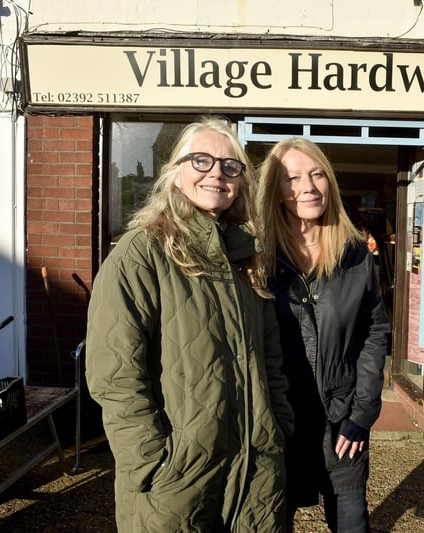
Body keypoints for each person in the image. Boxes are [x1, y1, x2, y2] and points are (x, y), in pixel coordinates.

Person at [85, 116, 294, 532]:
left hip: (255, 472)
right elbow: (115, 375)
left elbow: (271, 358)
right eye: (201, 160)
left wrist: (279, 428)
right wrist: (152, 463)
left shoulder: (247, 258)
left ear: (240, 181)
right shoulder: (140, 253)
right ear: (175, 171)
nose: (216, 172)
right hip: (176, 482)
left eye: (230, 165)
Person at [257, 137, 390, 533]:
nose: (308, 187)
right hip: (277, 424)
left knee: (351, 523)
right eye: (292, 177)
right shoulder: (258, 256)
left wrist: (361, 414)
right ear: (276, 190)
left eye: (317, 174)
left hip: (341, 421)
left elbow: (374, 333)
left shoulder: (356, 255)